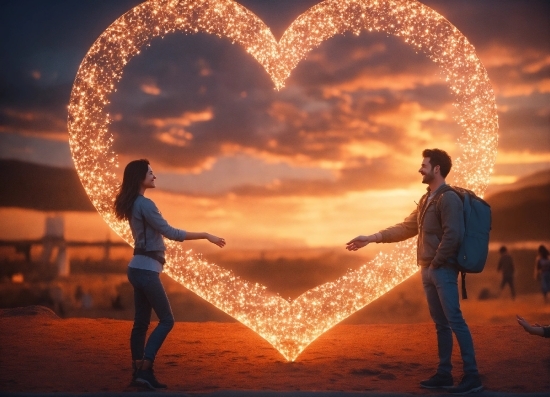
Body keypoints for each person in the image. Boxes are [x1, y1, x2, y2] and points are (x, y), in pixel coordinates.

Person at [346, 149, 482, 394]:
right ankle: (444, 373)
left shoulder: (447, 198)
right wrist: (371, 238)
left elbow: (454, 234)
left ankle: (472, 376)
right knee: (441, 323)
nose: (420, 169)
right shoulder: (426, 199)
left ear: (436, 169)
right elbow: (406, 227)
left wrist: (437, 262)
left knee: (455, 320)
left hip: (441, 269)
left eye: (424, 165)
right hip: (428, 269)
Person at [114, 159, 226, 390]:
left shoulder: (133, 203)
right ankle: (145, 369)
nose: (154, 176)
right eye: (150, 173)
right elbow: (170, 233)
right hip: (146, 270)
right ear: (140, 178)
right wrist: (206, 234)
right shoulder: (145, 204)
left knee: (141, 323)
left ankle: (138, 373)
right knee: (167, 320)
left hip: (136, 267)